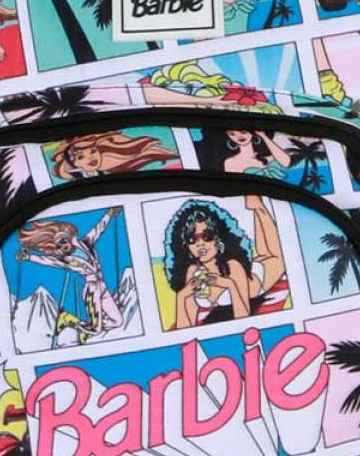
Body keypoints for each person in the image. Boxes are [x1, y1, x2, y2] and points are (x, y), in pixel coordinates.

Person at [164, 197, 285, 328]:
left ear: (218, 238)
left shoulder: (233, 265)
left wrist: (229, 284)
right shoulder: (192, 271)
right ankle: (256, 205)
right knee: (265, 252)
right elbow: (185, 328)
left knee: (275, 255)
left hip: (260, 277)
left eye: (207, 236)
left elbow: (243, 317)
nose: (200, 244)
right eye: (192, 239)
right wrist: (181, 296)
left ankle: (258, 206)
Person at [15, 209, 122, 342]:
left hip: (102, 286)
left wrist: (109, 214)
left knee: (117, 321)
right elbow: (46, 260)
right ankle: (68, 319)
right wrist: (28, 257)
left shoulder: (86, 243)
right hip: (92, 289)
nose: (63, 245)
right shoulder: (64, 260)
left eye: (63, 241)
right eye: (59, 245)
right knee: (96, 328)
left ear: (69, 238)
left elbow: (98, 229)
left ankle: (86, 331)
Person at [50, 130, 177, 180]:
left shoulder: (109, 171)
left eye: (93, 151)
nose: (91, 157)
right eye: (80, 157)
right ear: (74, 164)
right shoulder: (77, 174)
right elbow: (60, 172)